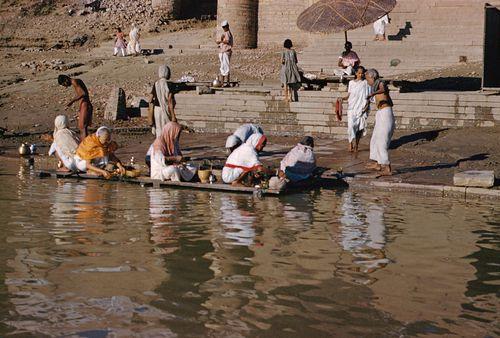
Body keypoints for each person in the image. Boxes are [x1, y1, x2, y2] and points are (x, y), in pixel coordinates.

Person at [365, 69, 395, 176]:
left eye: (367, 79)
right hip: (380, 113)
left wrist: (371, 94)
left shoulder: (380, 83)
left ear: (372, 77)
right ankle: (377, 163)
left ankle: (387, 167)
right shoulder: (375, 86)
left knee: (382, 141)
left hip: (386, 114)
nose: (367, 81)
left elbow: (382, 90)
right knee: (375, 139)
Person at [342, 66, 371, 153]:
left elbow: (369, 96)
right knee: (351, 126)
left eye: (362, 73)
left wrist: (366, 106)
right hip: (352, 107)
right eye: (359, 73)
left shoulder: (366, 83)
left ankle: (357, 145)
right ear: (355, 73)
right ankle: (350, 143)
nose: (360, 74)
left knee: (359, 128)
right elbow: (348, 95)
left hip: (361, 108)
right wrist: (342, 99)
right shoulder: (351, 83)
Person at [58, 74, 93, 139]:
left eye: (64, 84)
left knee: (82, 127)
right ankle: (84, 143)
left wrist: (72, 101)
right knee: (81, 127)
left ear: (66, 79)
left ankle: (85, 144)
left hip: (85, 105)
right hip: (83, 105)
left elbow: (83, 93)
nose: (66, 86)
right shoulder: (75, 81)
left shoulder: (74, 81)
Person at [149, 65, 177, 138]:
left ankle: (159, 146)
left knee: (159, 129)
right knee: (167, 129)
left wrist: (150, 112)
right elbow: (170, 101)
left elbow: (150, 99)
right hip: (166, 108)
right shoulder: (170, 84)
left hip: (157, 110)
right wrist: (173, 115)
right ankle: (167, 146)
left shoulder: (156, 84)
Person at [216, 20, 233, 87]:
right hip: (223, 51)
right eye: (223, 27)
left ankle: (227, 82)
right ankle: (222, 83)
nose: (224, 28)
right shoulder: (226, 33)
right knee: (222, 67)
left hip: (226, 51)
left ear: (227, 26)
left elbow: (227, 41)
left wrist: (220, 41)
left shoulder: (228, 33)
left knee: (226, 67)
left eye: (224, 27)